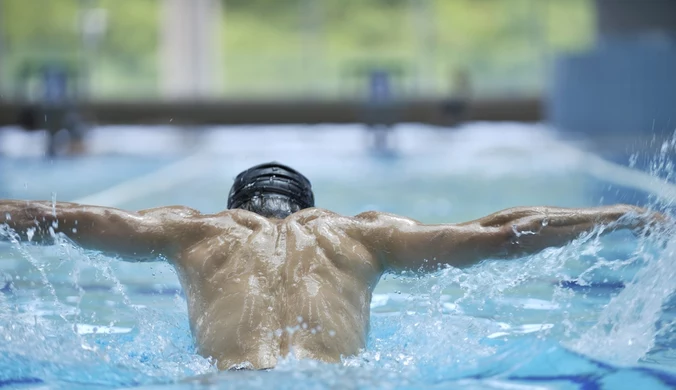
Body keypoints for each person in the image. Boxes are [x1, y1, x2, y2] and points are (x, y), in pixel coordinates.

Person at [0, 162, 665, 371]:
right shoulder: (361, 235)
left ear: (237, 205)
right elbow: (499, 232)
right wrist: (620, 218)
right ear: (308, 206)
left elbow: (73, 219)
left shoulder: (193, 230)